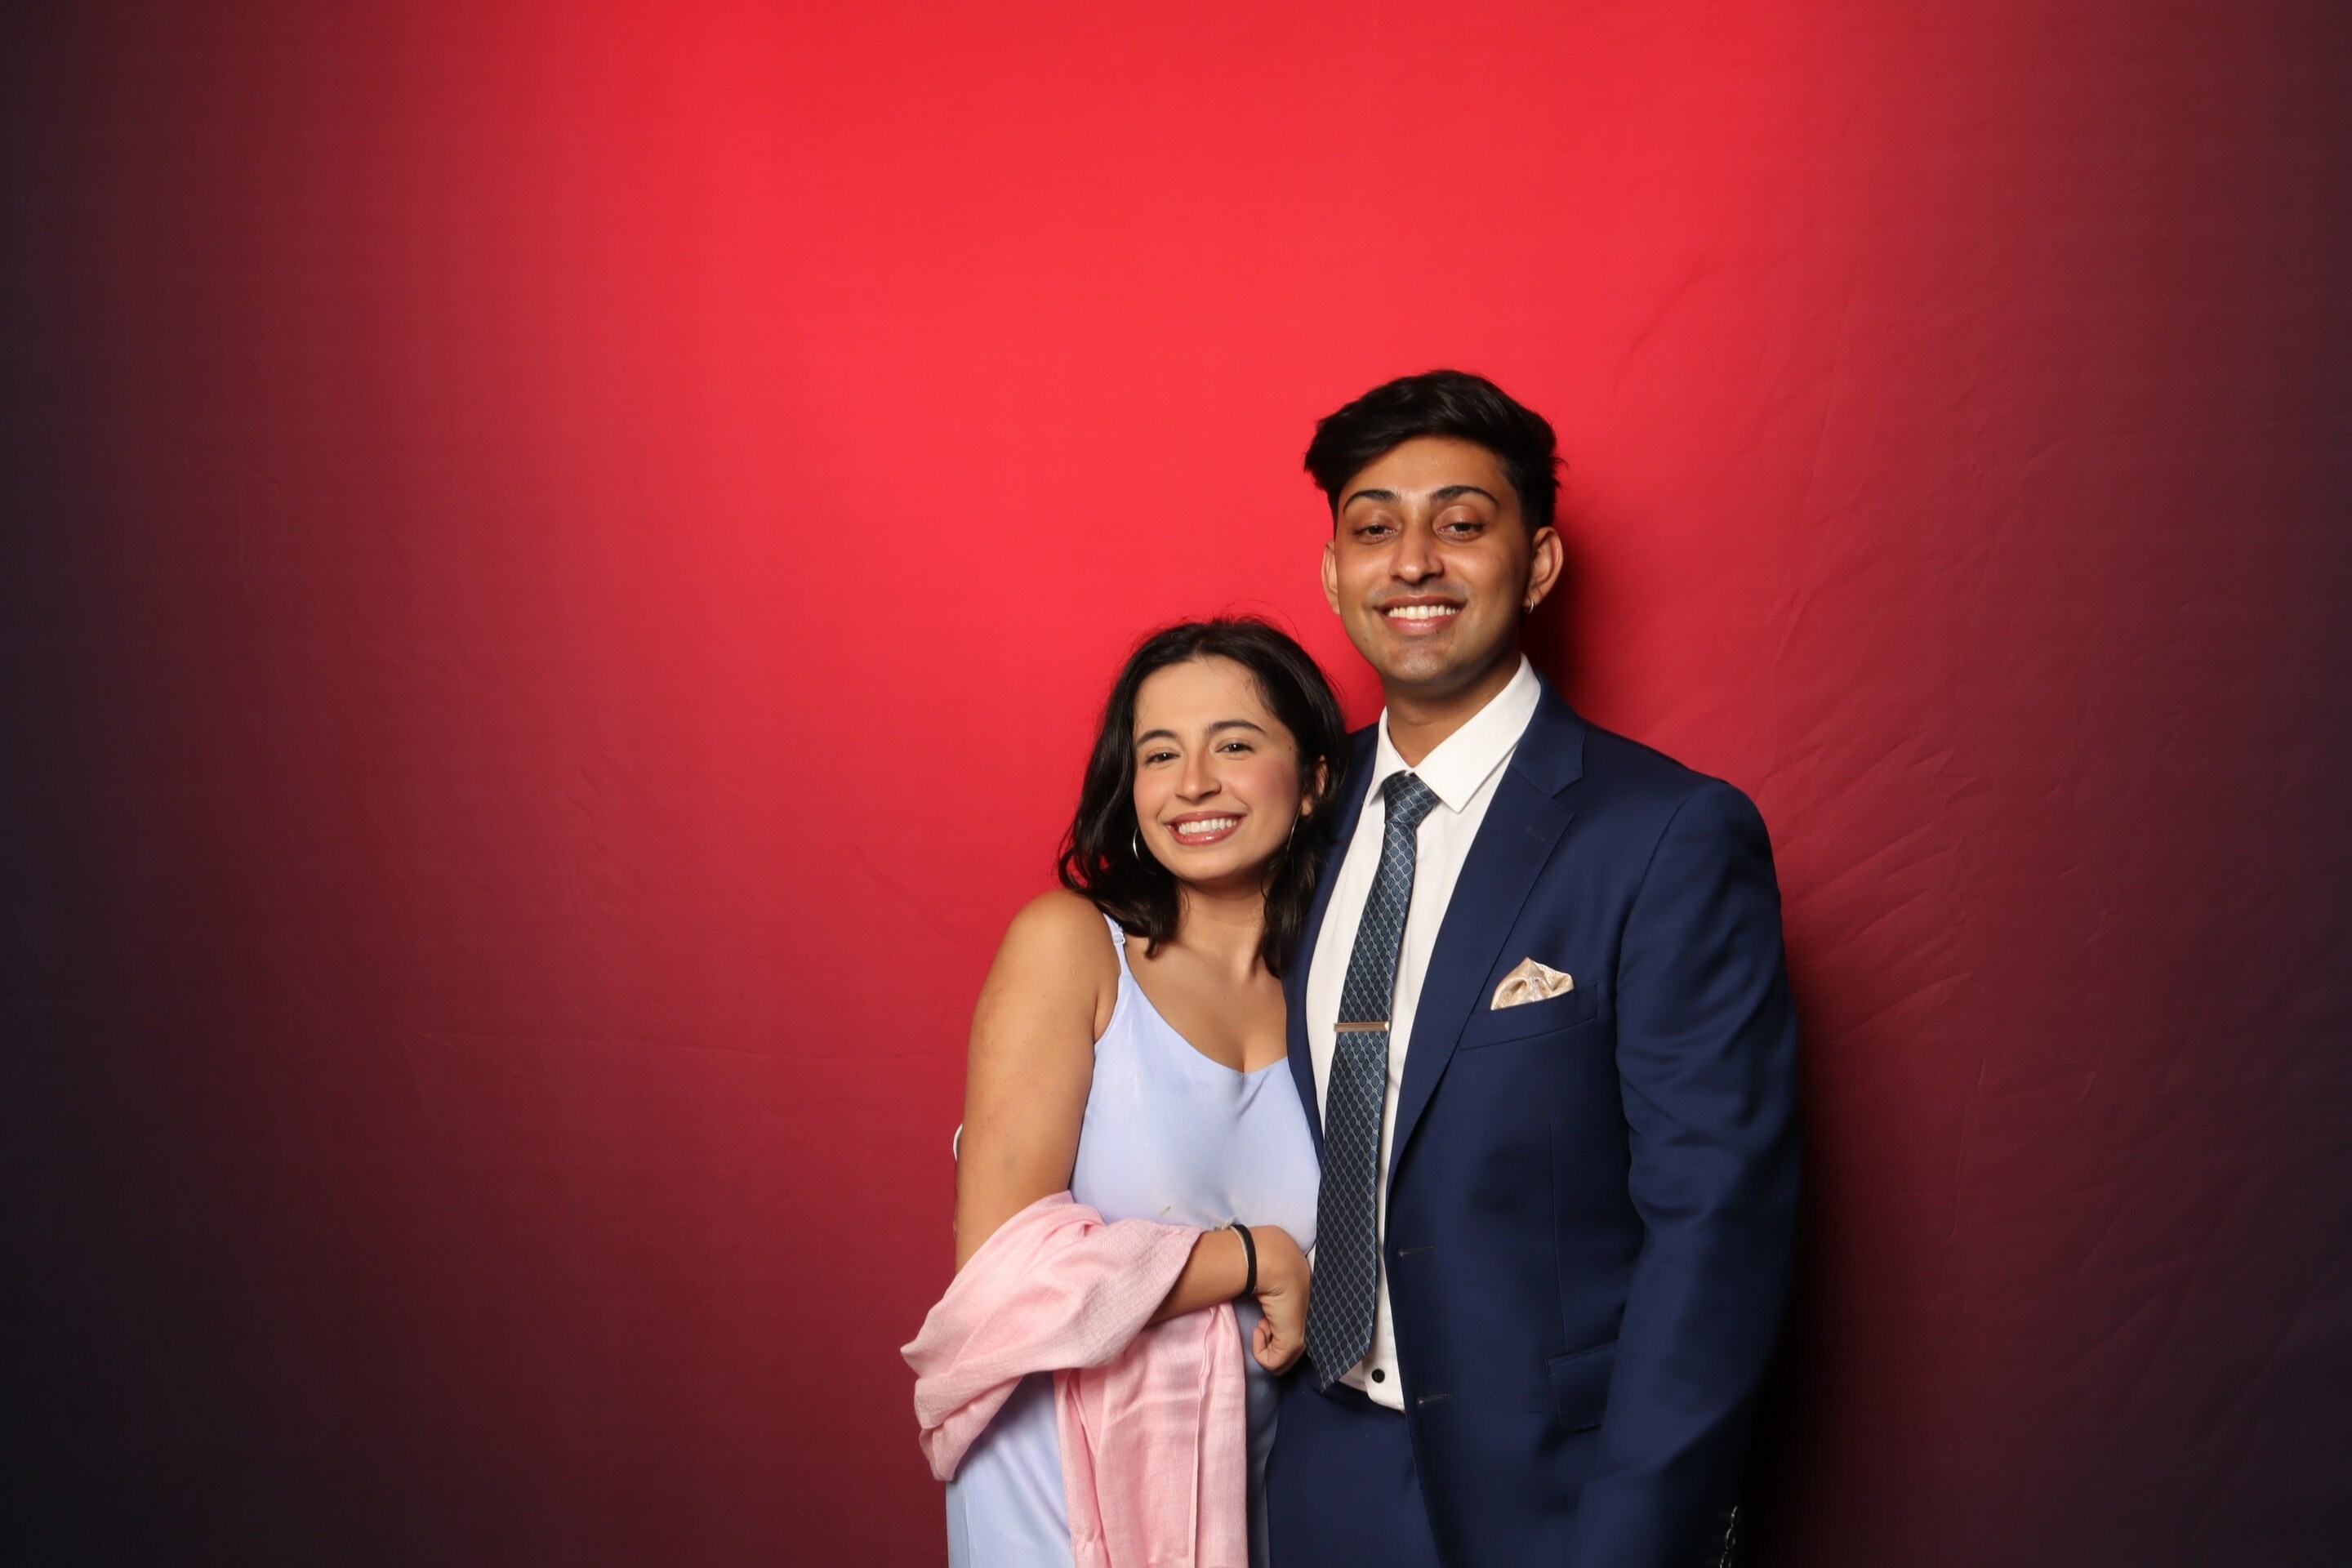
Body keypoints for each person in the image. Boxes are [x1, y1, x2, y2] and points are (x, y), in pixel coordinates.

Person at [1265, 371, 1802, 1567]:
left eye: (1460, 523)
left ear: (1540, 562)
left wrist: (1637, 1534)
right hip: (1319, 1473)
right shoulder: (1295, 817)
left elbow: (1717, 1230)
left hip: (1560, 1502)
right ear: (1335, 574)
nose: (1413, 562)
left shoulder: (1664, 835)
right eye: (1374, 530)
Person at [933, 618, 1348, 1568]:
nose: (1192, 784)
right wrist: (1254, 1257)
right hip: (1057, 1495)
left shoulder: (1338, 995)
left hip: (1257, 1489)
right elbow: (1001, 1281)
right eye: (1160, 754)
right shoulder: (1075, 947)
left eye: (1233, 745)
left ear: (1315, 779)